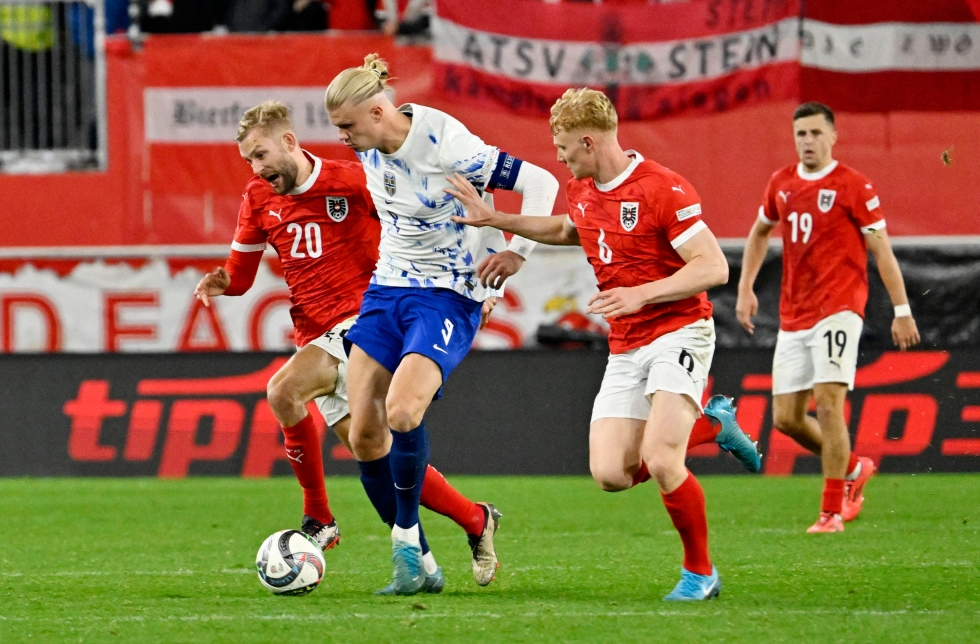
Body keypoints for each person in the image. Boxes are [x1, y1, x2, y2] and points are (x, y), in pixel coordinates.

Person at [444, 87, 761, 601]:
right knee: (611, 474)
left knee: (660, 459)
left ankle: (700, 574)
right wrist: (498, 219)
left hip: (679, 330)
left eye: (564, 146)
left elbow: (713, 266)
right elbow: (572, 230)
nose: (560, 156)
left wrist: (642, 293)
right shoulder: (582, 188)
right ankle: (714, 426)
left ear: (589, 141)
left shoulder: (663, 189)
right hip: (627, 343)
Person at [193, 101, 502, 592]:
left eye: (261, 154)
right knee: (375, 456)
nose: (257, 168)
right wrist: (221, 281)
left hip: (369, 319)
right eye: (249, 160)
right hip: (314, 332)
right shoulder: (257, 198)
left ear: (290, 142)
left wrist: (479, 284)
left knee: (283, 390)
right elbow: (242, 274)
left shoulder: (353, 179)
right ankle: (470, 524)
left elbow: (433, 214)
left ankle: (319, 517)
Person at [325, 54, 559, 595]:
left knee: (403, 411)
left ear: (378, 111)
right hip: (387, 291)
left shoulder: (446, 144)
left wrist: (515, 256)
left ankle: (405, 540)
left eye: (347, 126)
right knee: (363, 437)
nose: (340, 137)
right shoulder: (371, 147)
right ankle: (431, 561)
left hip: (447, 295)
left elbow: (541, 183)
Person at [735, 102, 921, 533]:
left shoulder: (853, 185)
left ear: (833, 137)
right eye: (801, 134)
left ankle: (831, 511)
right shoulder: (781, 183)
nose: (808, 142)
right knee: (785, 418)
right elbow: (759, 233)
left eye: (816, 133)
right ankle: (854, 468)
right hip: (793, 314)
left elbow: (882, 250)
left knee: (830, 403)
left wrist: (902, 310)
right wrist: (744, 288)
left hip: (839, 310)